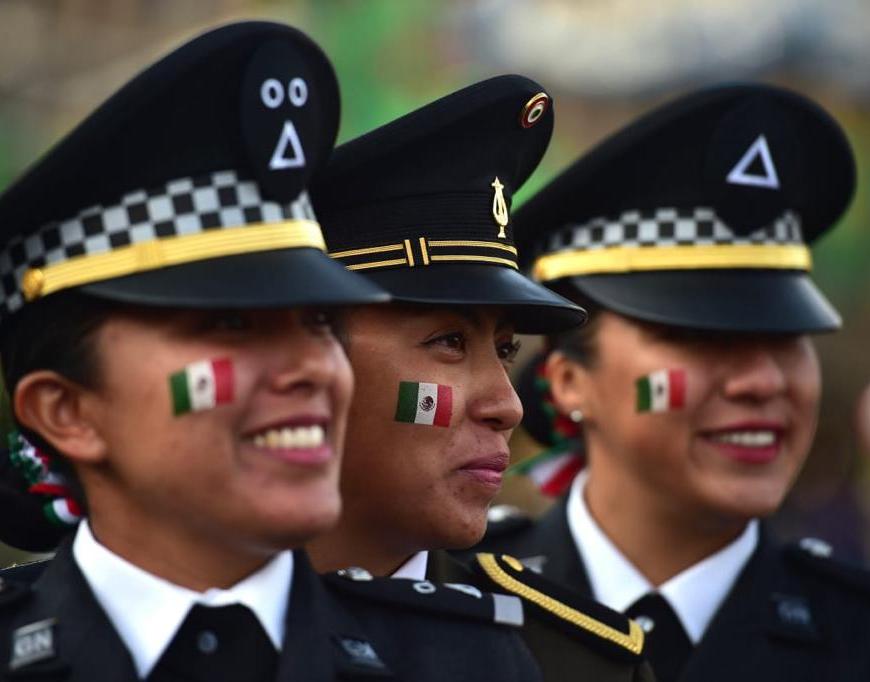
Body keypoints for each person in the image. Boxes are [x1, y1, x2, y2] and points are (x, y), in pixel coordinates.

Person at [0, 23, 543, 682]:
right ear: (66, 411)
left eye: (320, 322)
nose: (315, 367)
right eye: (232, 323)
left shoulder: (468, 662)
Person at [470, 83, 870, 682]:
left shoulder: (853, 630)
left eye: (788, 336)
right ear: (569, 381)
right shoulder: (458, 616)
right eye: (702, 337)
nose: (762, 381)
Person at [306, 76, 653, 681]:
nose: (508, 406)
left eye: (506, 349)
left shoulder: (568, 665)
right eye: (449, 342)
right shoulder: (171, 641)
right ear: (305, 360)